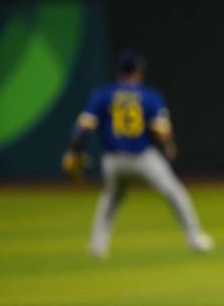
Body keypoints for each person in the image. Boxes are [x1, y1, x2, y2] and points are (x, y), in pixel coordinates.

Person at [62, 49, 214, 258]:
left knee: (110, 198)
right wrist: (169, 146)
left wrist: (73, 150)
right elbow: (161, 131)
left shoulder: (103, 94)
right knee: (175, 192)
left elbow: (84, 128)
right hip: (142, 157)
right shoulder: (150, 95)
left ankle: (97, 247)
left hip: (113, 160)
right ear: (138, 71)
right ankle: (195, 238)